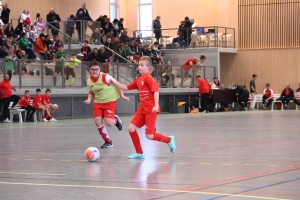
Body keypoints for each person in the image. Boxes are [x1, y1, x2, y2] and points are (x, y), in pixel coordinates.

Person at [110, 56, 176, 159]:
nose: (139, 67)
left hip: (151, 110)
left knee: (150, 136)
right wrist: (114, 82)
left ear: (148, 67)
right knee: (131, 128)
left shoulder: (149, 78)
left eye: (142, 65)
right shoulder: (138, 80)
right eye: (138, 65)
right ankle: (139, 152)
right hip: (142, 109)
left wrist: (155, 105)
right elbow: (126, 87)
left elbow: (156, 91)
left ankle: (169, 140)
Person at [84, 60, 127, 148]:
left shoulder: (106, 77)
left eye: (97, 69)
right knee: (98, 123)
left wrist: (122, 95)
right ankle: (108, 141)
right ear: (89, 70)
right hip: (98, 103)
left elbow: (118, 84)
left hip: (109, 102)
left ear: (100, 69)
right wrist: (89, 99)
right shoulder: (89, 80)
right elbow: (91, 91)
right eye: (93, 69)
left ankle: (115, 120)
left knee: (109, 123)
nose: (95, 71)